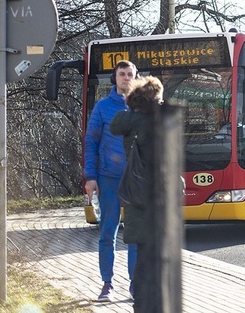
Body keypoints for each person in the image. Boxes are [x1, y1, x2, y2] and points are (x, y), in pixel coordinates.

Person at [83, 60, 139, 302]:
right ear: (114, 78)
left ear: (136, 77)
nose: (126, 78)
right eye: (122, 74)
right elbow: (91, 142)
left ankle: (136, 284)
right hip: (108, 178)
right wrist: (91, 177)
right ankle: (107, 283)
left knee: (136, 234)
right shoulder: (103, 107)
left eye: (130, 74)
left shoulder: (144, 107)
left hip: (136, 179)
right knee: (108, 230)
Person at [110, 75, 164, 311]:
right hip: (156, 196)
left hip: (135, 193)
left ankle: (140, 305)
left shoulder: (128, 120)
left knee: (142, 255)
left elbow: (115, 124)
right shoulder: (155, 122)